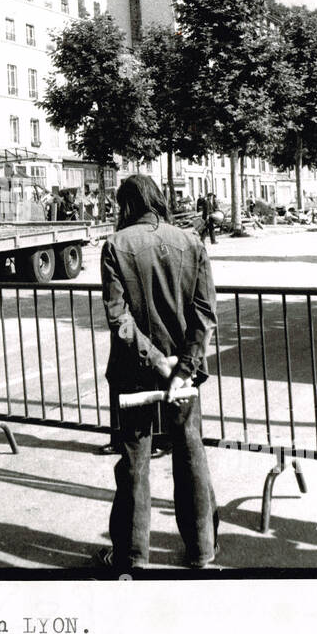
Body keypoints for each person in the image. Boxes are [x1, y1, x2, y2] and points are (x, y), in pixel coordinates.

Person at [97, 174, 219, 571]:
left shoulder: (116, 246)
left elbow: (119, 318)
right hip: (184, 373)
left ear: (126, 205)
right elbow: (205, 314)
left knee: (135, 459)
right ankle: (202, 550)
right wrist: (184, 365)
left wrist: (154, 359)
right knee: (189, 451)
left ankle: (133, 557)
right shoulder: (191, 241)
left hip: (134, 371)